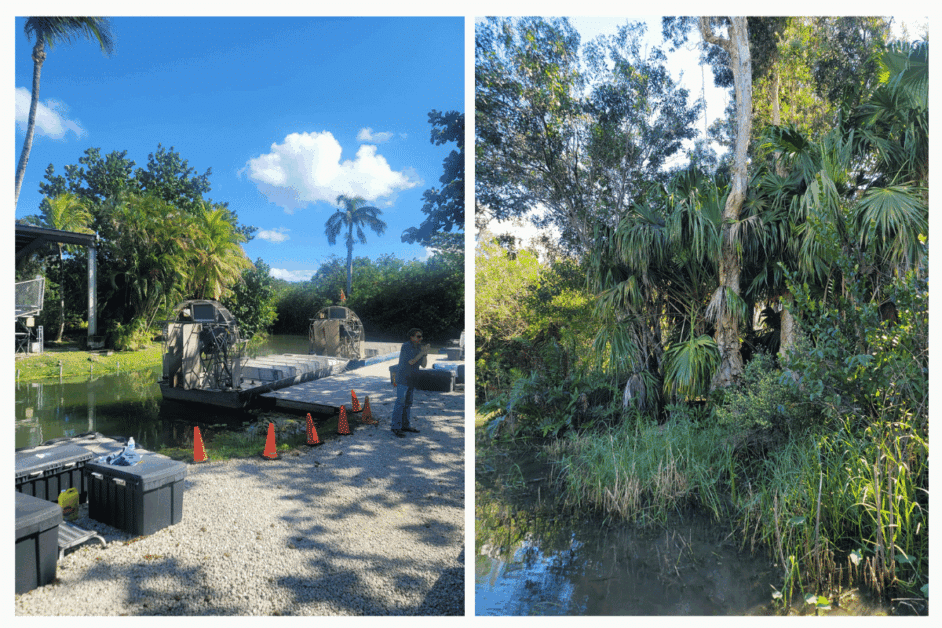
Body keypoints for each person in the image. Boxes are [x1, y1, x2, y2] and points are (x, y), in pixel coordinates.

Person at [391, 328, 429, 437]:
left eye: (421, 336)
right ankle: (395, 427)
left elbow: (424, 365)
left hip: (412, 379)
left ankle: (405, 425)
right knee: (400, 403)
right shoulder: (406, 346)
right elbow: (411, 361)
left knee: (408, 404)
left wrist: (425, 354)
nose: (421, 338)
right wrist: (422, 352)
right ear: (411, 337)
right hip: (403, 379)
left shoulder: (419, 348)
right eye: (418, 336)